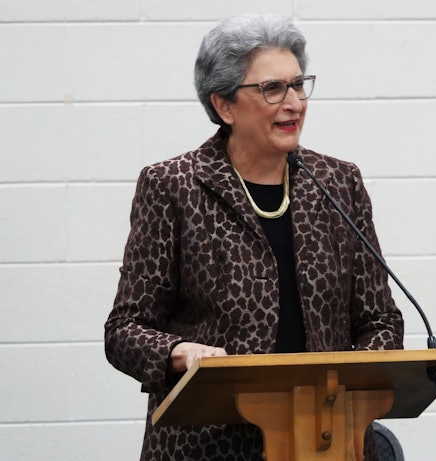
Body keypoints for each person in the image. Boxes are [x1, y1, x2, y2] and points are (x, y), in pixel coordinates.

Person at [104, 14, 404, 461]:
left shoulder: (339, 183)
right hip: (207, 445)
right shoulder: (173, 186)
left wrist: (351, 377)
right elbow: (124, 331)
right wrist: (179, 352)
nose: (294, 103)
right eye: (272, 89)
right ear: (225, 106)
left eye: (299, 85)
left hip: (326, 440)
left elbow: (381, 321)